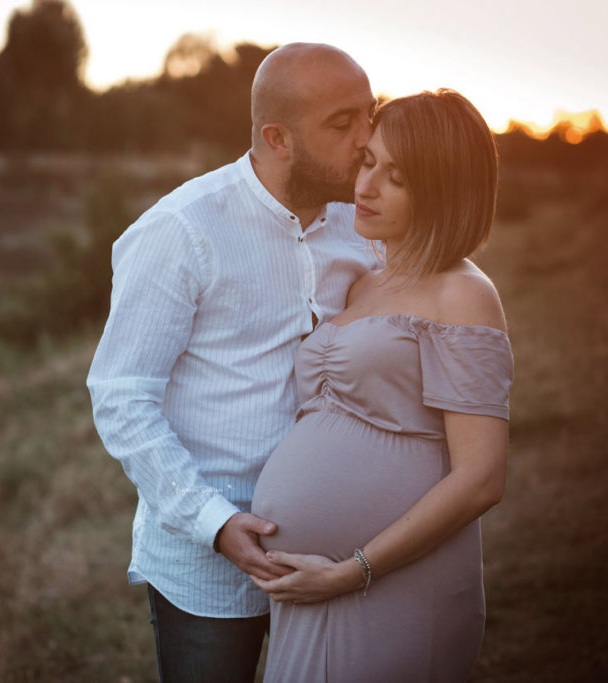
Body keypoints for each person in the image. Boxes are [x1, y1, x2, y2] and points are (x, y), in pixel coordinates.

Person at [86, 43, 378, 681]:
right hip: (207, 564)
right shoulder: (182, 231)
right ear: (278, 137)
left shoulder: (365, 228)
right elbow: (121, 396)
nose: (367, 141)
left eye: (370, 114)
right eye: (341, 124)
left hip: (337, 550)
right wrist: (213, 523)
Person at [249, 89, 513, 682]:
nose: (365, 187)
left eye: (397, 177)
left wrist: (353, 570)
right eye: (368, 161)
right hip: (312, 589)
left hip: (391, 585)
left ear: (444, 191)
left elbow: (481, 478)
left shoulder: (463, 294)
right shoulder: (363, 282)